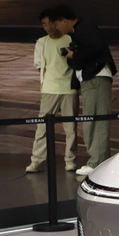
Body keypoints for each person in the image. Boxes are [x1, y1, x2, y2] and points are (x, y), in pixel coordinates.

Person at [50, 5, 117, 177]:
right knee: (92, 120)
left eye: (56, 24)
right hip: (91, 80)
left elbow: (94, 49)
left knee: (96, 120)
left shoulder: (85, 27)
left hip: (96, 78)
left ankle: (97, 163)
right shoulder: (79, 31)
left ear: (64, 21)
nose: (56, 28)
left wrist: (74, 55)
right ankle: (98, 161)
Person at [26, 9, 80, 173]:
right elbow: (39, 65)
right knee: (42, 127)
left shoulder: (70, 38)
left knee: (70, 127)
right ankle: (36, 160)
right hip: (49, 89)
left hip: (69, 88)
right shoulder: (41, 42)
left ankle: (70, 160)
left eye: (50, 22)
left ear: (57, 22)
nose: (48, 27)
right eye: (44, 24)